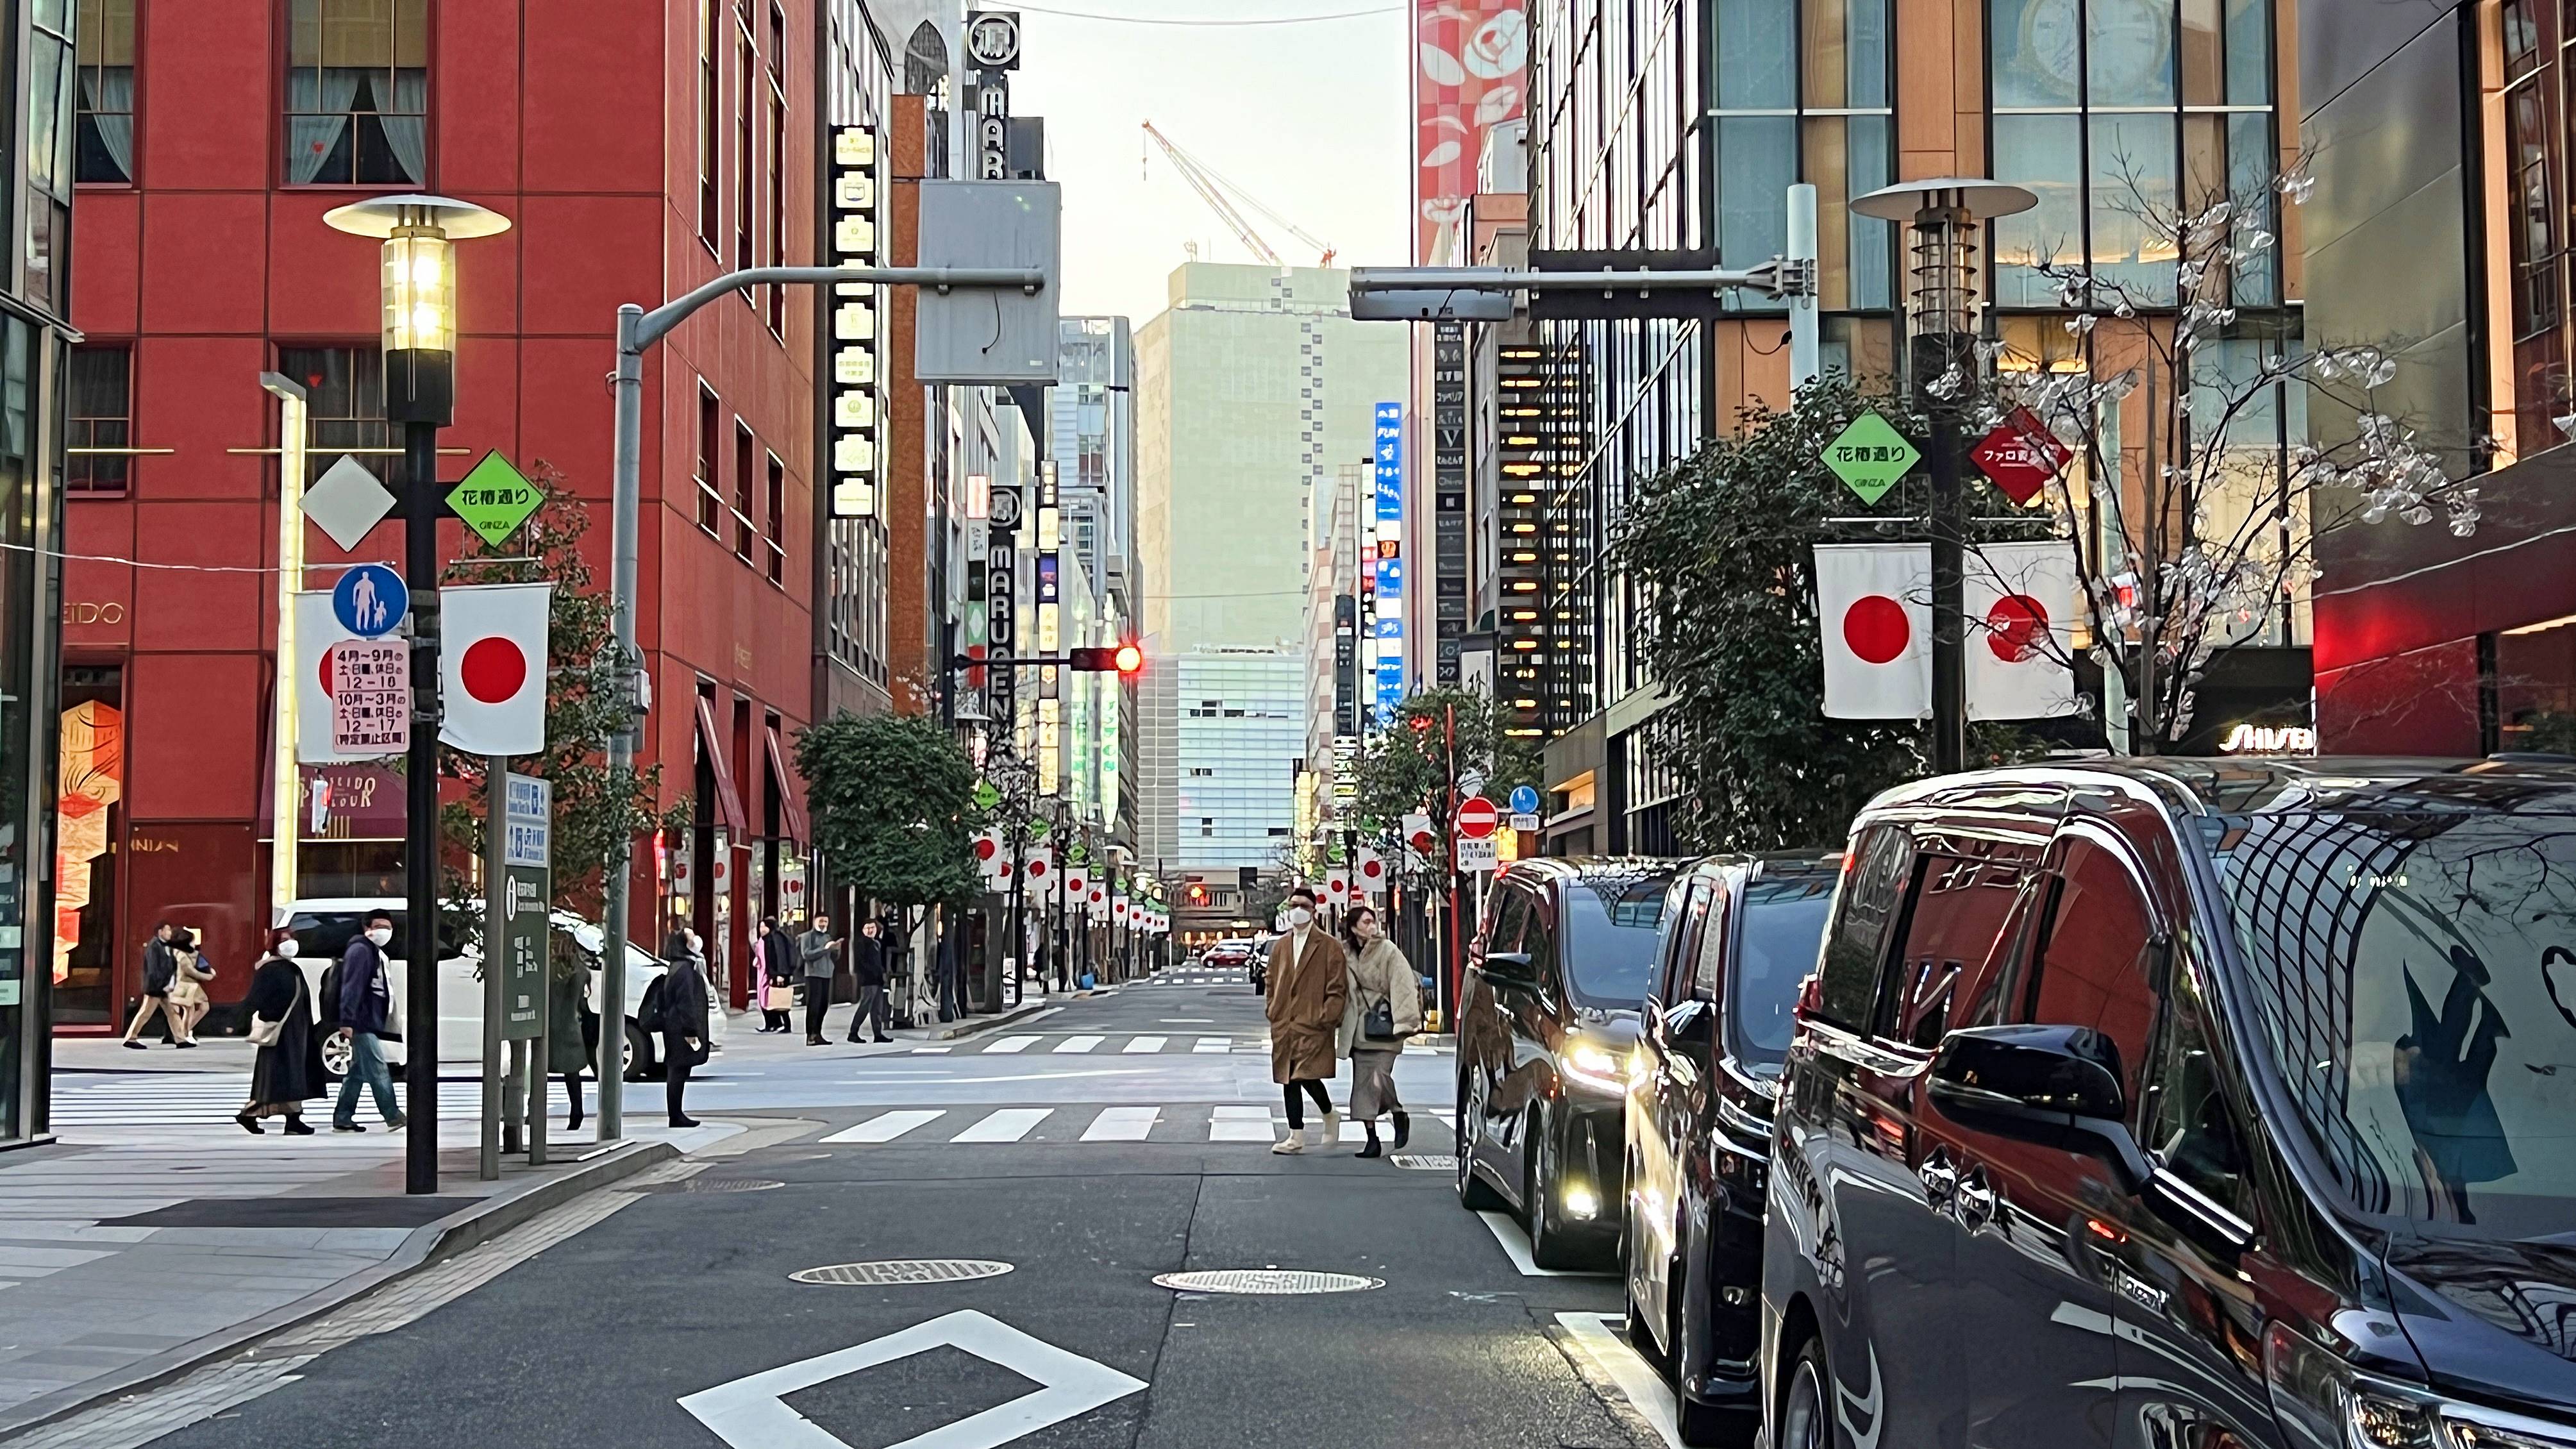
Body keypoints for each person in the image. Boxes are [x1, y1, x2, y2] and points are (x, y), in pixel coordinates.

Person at [1263, 886, 1347, 1153]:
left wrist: (1326, 1018)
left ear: (1314, 910)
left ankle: (1328, 1113)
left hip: (1313, 1023)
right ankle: (1295, 1135)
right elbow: (1271, 980)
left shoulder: (1329, 945)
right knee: (1289, 1078)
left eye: (1303, 905)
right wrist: (1273, 1010)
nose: (1297, 910)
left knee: (1305, 1076)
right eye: (1293, 905)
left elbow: (1337, 987)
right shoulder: (1281, 945)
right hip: (1285, 1022)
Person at [1335, 906, 1423, 1157]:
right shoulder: (1346, 953)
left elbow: (1403, 984)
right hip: (1359, 1028)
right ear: (1354, 928)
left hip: (1386, 1025)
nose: (1371, 926)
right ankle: (1371, 1138)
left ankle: (1397, 1112)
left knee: (1379, 1077)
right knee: (1362, 1086)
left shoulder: (1388, 951)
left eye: (1372, 921)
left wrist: (1406, 1021)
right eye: (1365, 922)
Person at [237, 930, 323, 1135]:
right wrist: (236, 1021)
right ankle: (251, 1113)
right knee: (278, 1077)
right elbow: (255, 999)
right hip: (280, 1033)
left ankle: (293, 1119)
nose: (290, 943)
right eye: (284, 940)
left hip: (296, 1032)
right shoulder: (270, 970)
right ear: (274, 945)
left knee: (292, 1076)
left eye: (292, 939)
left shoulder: (291, 968)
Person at [332, 910, 405, 1132]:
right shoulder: (361, 951)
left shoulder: (372, 951)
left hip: (367, 1020)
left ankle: (343, 1116)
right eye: (380, 926)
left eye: (388, 927)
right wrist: (348, 1019)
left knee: (357, 1072)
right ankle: (393, 1115)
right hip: (361, 1021)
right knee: (378, 1067)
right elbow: (352, 987)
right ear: (367, 928)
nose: (385, 931)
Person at [658, 930, 710, 1128]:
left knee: (678, 1070)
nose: (696, 939)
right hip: (679, 1029)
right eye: (691, 937)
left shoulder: (678, 967)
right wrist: (691, 1031)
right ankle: (676, 1115)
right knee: (678, 1071)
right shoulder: (684, 970)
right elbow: (686, 1003)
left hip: (674, 1026)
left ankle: (677, 1114)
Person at [549, 941, 594, 1131]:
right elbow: (583, 1004)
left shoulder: (551, 970)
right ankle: (577, 1111)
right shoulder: (581, 972)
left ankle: (533, 1111)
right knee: (572, 1074)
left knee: (540, 1070)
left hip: (550, 1027)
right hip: (571, 1027)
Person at [120, 921, 179, 1049]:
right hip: (155, 987)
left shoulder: (165, 946)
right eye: (167, 930)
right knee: (146, 1012)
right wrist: (163, 984)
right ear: (160, 932)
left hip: (164, 988)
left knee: (173, 1012)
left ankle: (180, 1039)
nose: (170, 933)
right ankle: (131, 1038)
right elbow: (153, 969)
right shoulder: (154, 946)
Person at [163, 930, 215, 1047]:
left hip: (190, 985)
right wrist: (209, 976)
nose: (194, 943)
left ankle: (183, 1032)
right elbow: (190, 971)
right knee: (188, 1009)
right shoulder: (180, 954)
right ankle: (183, 1034)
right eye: (192, 941)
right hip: (183, 986)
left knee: (197, 1008)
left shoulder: (186, 953)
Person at [798, 914, 842, 1044]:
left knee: (823, 1005)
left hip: (827, 974)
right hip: (813, 974)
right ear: (815, 921)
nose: (824, 924)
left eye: (826, 921)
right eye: (821, 921)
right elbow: (806, 954)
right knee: (813, 1005)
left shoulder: (828, 937)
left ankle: (818, 1033)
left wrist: (836, 950)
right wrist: (825, 949)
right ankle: (810, 1035)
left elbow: (834, 957)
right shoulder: (807, 936)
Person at [846, 917, 892, 1043]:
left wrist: (882, 974)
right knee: (865, 1007)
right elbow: (861, 963)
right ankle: (853, 1032)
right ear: (863, 930)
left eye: (873, 928)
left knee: (877, 1009)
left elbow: (878, 963)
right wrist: (871, 973)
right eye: (868, 928)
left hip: (878, 980)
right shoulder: (862, 943)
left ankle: (878, 1034)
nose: (871, 930)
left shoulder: (876, 943)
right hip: (868, 980)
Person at [755, 916, 796, 1033]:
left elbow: (780, 956)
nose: (762, 929)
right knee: (772, 1000)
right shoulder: (767, 939)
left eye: (765, 927)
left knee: (780, 1001)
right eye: (760, 927)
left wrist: (780, 974)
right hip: (771, 974)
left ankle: (786, 1025)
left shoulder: (776, 938)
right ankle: (774, 1024)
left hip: (778, 974)